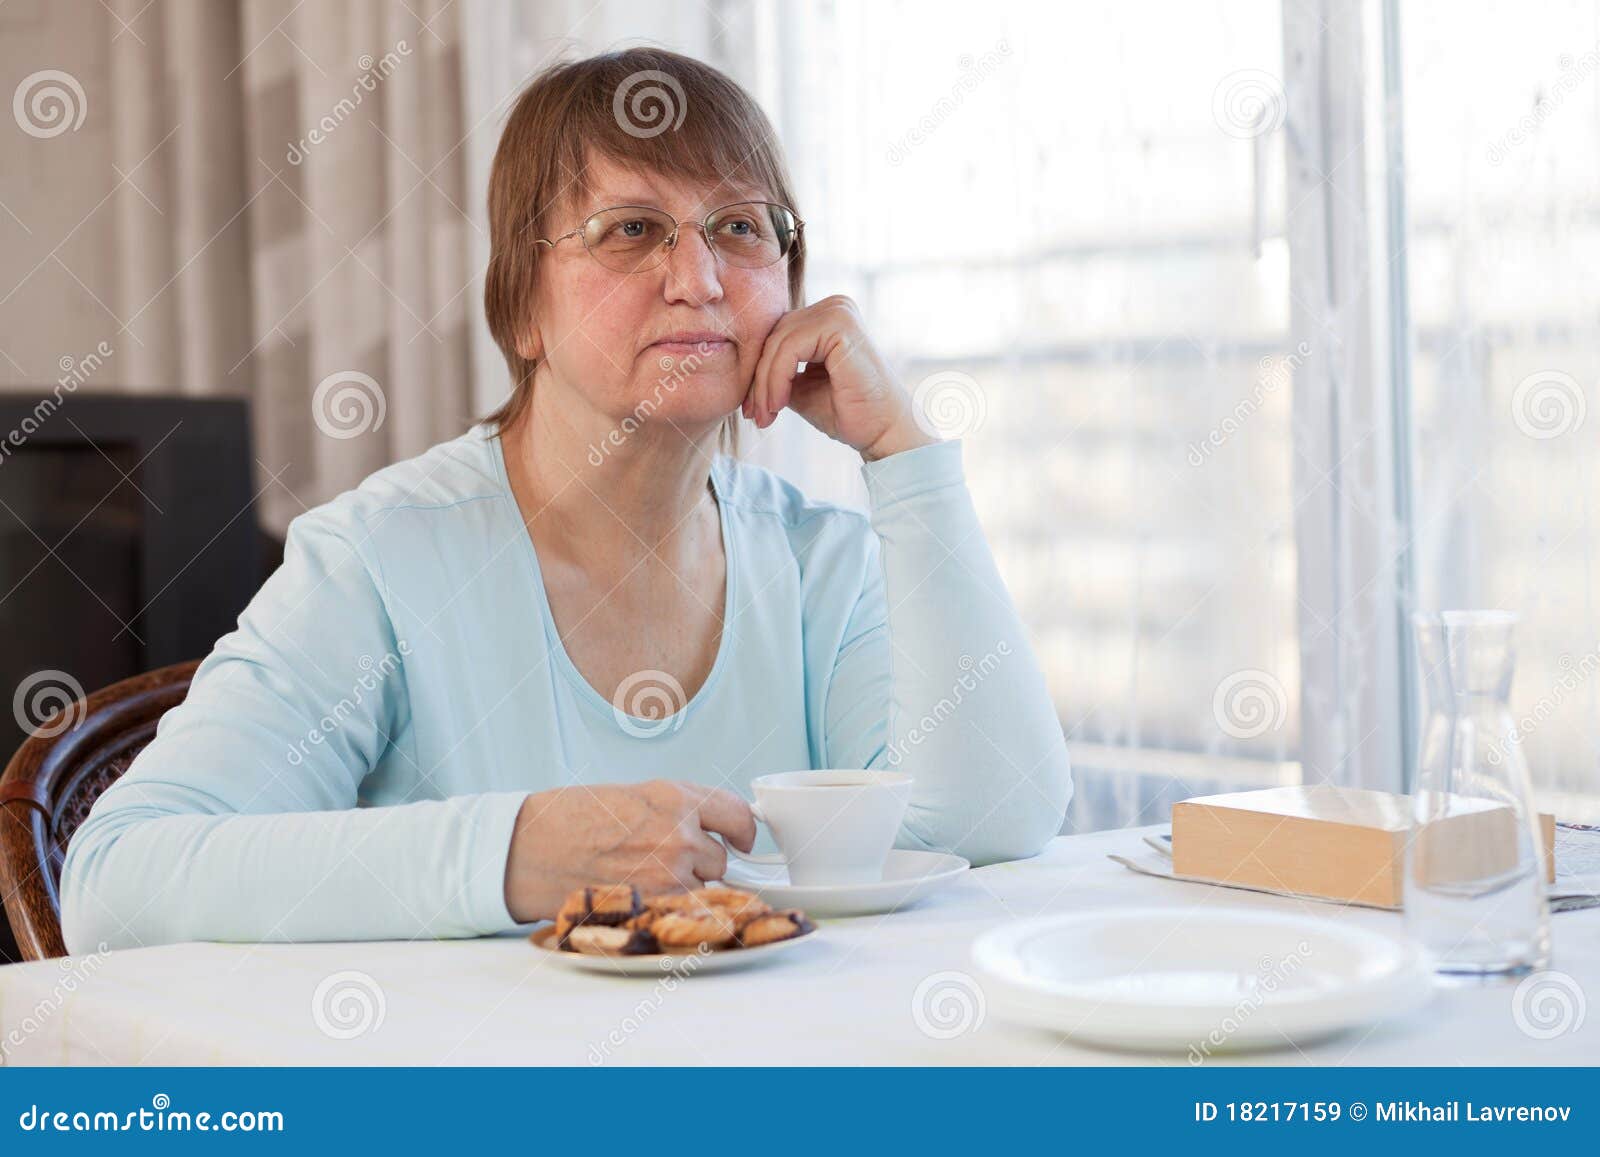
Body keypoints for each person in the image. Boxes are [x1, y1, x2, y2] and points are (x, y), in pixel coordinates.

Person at [60, 48, 1070, 952]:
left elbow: (991, 823)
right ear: (521, 309)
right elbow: (116, 882)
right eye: (632, 229)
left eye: (739, 227)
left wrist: (904, 453)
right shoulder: (378, 557)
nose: (698, 277)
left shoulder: (822, 562)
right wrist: (512, 851)